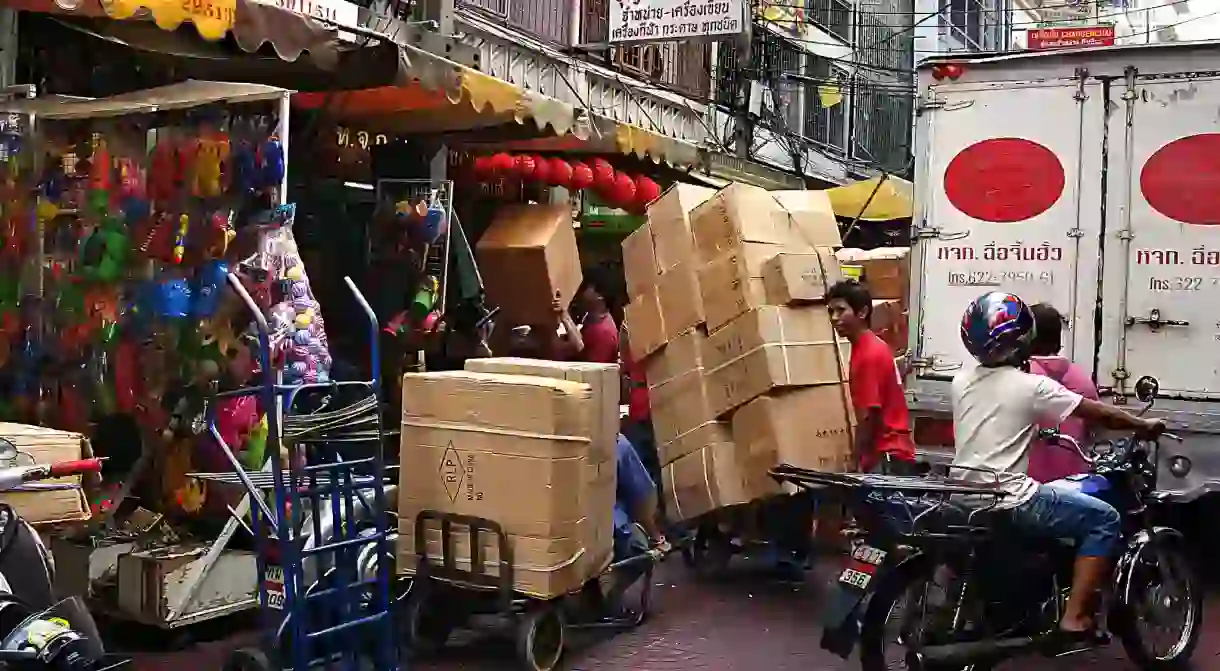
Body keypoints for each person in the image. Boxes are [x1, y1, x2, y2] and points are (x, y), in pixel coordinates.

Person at [953, 292, 1163, 641]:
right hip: (1011, 499)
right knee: (1105, 519)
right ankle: (1074, 617)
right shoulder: (1032, 387)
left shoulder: (960, 382)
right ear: (1023, 338)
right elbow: (1099, 413)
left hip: (965, 494)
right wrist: (1144, 425)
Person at [826, 280, 918, 475]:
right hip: (892, 454)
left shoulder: (868, 354)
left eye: (841, 310)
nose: (834, 318)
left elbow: (869, 414)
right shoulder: (871, 345)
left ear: (862, 312)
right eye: (831, 312)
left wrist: (855, 460)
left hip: (887, 457)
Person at [593, 433, 668, 616]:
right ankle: (607, 594)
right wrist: (656, 537)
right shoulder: (617, 443)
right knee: (641, 549)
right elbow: (641, 500)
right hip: (606, 528)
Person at [1027, 303, 1098, 483]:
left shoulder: (1018, 377)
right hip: (1073, 486)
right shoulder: (1081, 379)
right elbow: (1093, 432)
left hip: (1025, 488)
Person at [553, 266, 622, 364]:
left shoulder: (604, 332)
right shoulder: (591, 317)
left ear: (600, 296)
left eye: (588, 287)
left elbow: (591, 368)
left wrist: (564, 315)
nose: (584, 291)